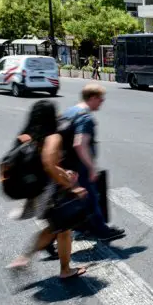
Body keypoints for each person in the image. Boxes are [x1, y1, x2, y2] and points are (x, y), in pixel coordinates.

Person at [6, 100, 88, 278]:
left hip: (37, 189)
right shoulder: (52, 136)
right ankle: (63, 270)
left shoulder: (29, 134)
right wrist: (70, 185)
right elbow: (49, 164)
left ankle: (25, 258)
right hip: (49, 190)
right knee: (61, 228)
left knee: (57, 228)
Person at [61, 84, 125, 241]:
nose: (102, 102)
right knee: (91, 198)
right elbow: (80, 144)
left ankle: (82, 228)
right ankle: (101, 231)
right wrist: (91, 167)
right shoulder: (85, 117)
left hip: (67, 163)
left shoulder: (70, 111)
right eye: (100, 99)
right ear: (92, 98)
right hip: (79, 165)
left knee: (79, 197)